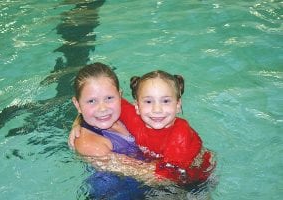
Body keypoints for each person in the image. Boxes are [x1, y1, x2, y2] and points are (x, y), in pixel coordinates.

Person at [70, 65, 216, 190]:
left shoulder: (179, 134)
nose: (156, 110)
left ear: (178, 105)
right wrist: (79, 121)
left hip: (193, 181)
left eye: (165, 101)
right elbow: (151, 176)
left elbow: (171, 177)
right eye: (148, 102)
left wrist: (80, 118)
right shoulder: (90, 142)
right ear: (137, 106)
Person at [71, 62, 159, 199]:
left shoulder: (121, 115)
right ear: (77, 104)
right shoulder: (88, 144)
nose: (102, 108)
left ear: (120, 96)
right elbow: (145, 173)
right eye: (91, 101)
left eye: (109, 98)